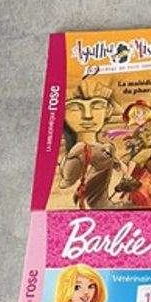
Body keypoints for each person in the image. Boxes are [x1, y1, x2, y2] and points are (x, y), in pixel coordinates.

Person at [58, 80, 135, 209]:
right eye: (75, 107)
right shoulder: (79, 151)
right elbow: (68, 180)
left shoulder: (106, 149)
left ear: (108, 111)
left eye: (97, 106)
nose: (88, 116)